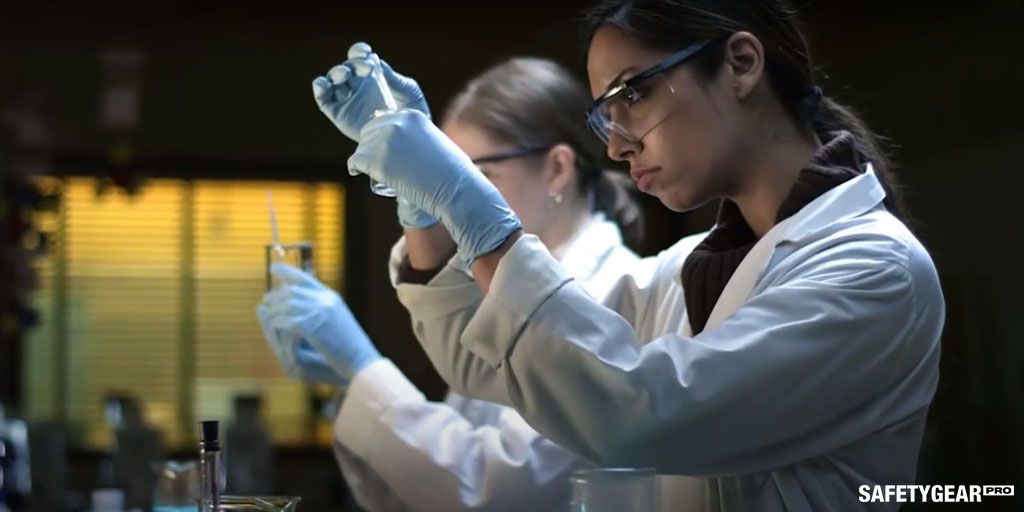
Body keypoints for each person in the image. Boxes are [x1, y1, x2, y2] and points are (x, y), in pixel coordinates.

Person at [327, 1, 947, 510]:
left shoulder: (874, 268)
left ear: (740, 63)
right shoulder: (686, 268)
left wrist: (474, 210)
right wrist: (428, 216)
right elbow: (489, 358)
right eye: (606, 116)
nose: (619, 145)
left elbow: (642, 415)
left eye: (634, 94)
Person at [258, 48, 704, 510]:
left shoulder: (613, 291)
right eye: (432, 171)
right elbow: (417, 497)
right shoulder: (497, 293)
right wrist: (349, 386)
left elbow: (498, 488)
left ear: (557, 169)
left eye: (470, 175)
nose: (442, 192)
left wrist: (362, 369)